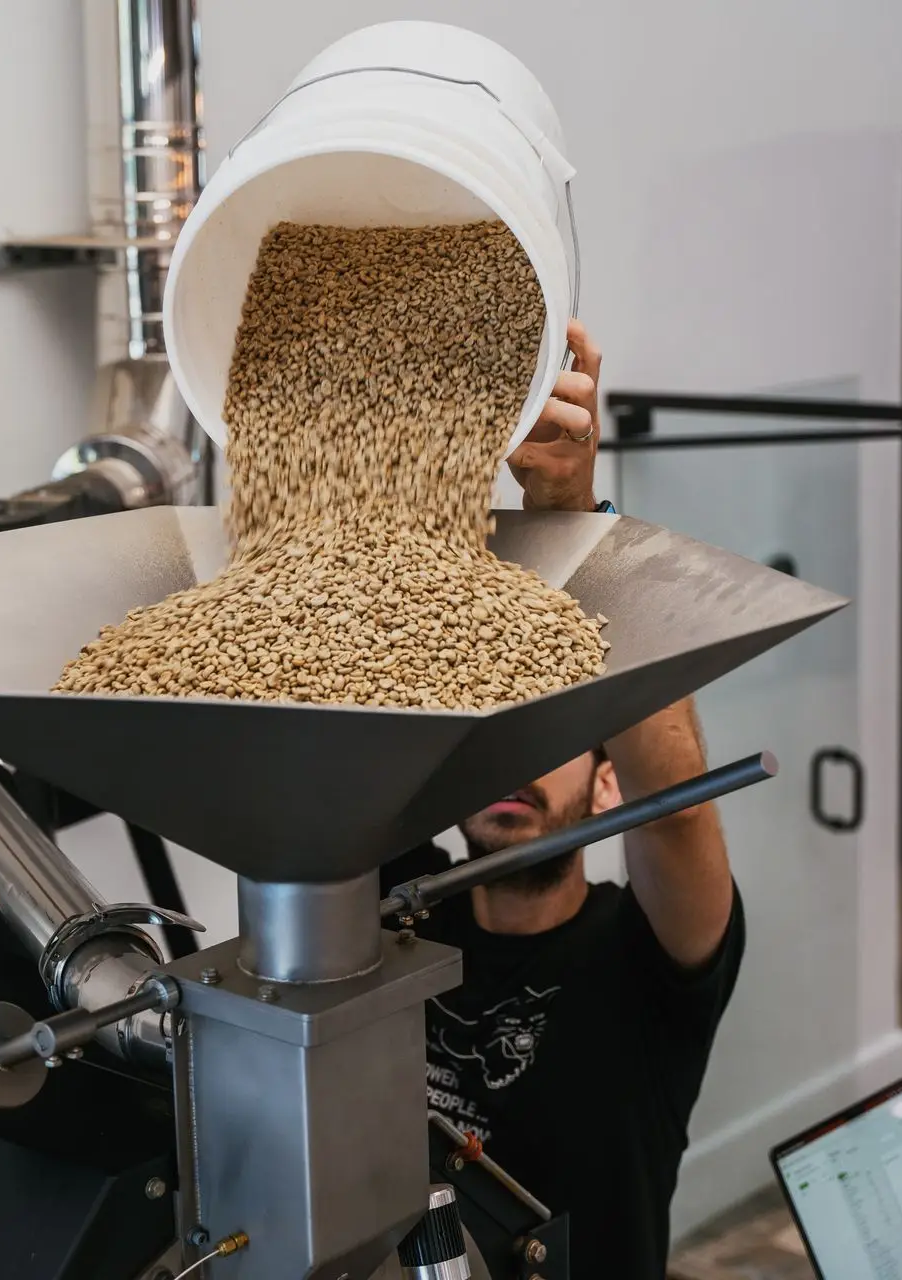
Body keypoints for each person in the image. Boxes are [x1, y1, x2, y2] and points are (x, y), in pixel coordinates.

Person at [378, 319, 744, 1280]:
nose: (515, 764)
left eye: (551, 741)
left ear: (607, 777)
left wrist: (573, 511)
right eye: (498, 733)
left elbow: (680, 809)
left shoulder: (649, 962)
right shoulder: (401, 908)